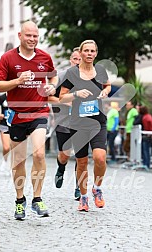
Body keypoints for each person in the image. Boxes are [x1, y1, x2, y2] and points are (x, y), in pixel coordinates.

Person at [0, 20, 57, 220]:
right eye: (28, 35)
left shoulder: (44, 57)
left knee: (39, 154)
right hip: (17, 115)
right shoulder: (8, 58)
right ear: (20, 36)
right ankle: (20, 200)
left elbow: (53, 76)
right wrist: (18, 81)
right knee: (18, 161)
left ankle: (37, 199)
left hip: (39, 112)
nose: (32, 39)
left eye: (35, 36)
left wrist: (52, 87)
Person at [59, 40, 111, 212]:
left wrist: (105, 91)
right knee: (81, 162)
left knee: (100, 158)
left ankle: (97, 188)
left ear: (96, 53)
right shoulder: (71, 73)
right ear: (80, 53)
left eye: (92, 51)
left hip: (97, 122)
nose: (89, 53)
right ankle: (83, 197)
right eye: (86, 50)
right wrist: (75, 94)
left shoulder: (101, 71)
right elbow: (62, 97)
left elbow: (108, 85)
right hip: (78, 124)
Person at [49, 47, 81, 200]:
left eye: (81, 59)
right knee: (65, 154)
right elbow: (49, 98)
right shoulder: (61, 77)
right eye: (75, 59)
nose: (78, 62)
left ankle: (79, 187)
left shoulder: (90, 77)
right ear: (71, 60)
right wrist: (65, 102)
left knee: (82, 156)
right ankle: (61, 168)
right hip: (64, 121)